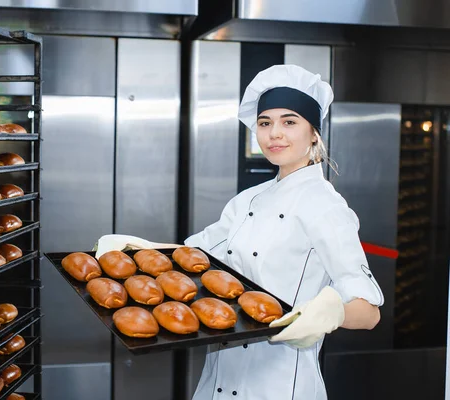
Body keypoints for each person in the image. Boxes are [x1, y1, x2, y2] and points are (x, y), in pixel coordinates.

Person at [96, 64, 383, 399]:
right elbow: (194, 257)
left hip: (280, 383)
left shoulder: (326, 207)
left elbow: (369, 312)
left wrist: (331, 314)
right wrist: (141, 246)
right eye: (265, 123)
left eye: (289, 121)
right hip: (219, 374)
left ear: (314, 133)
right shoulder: (248, 200)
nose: (274, 133)